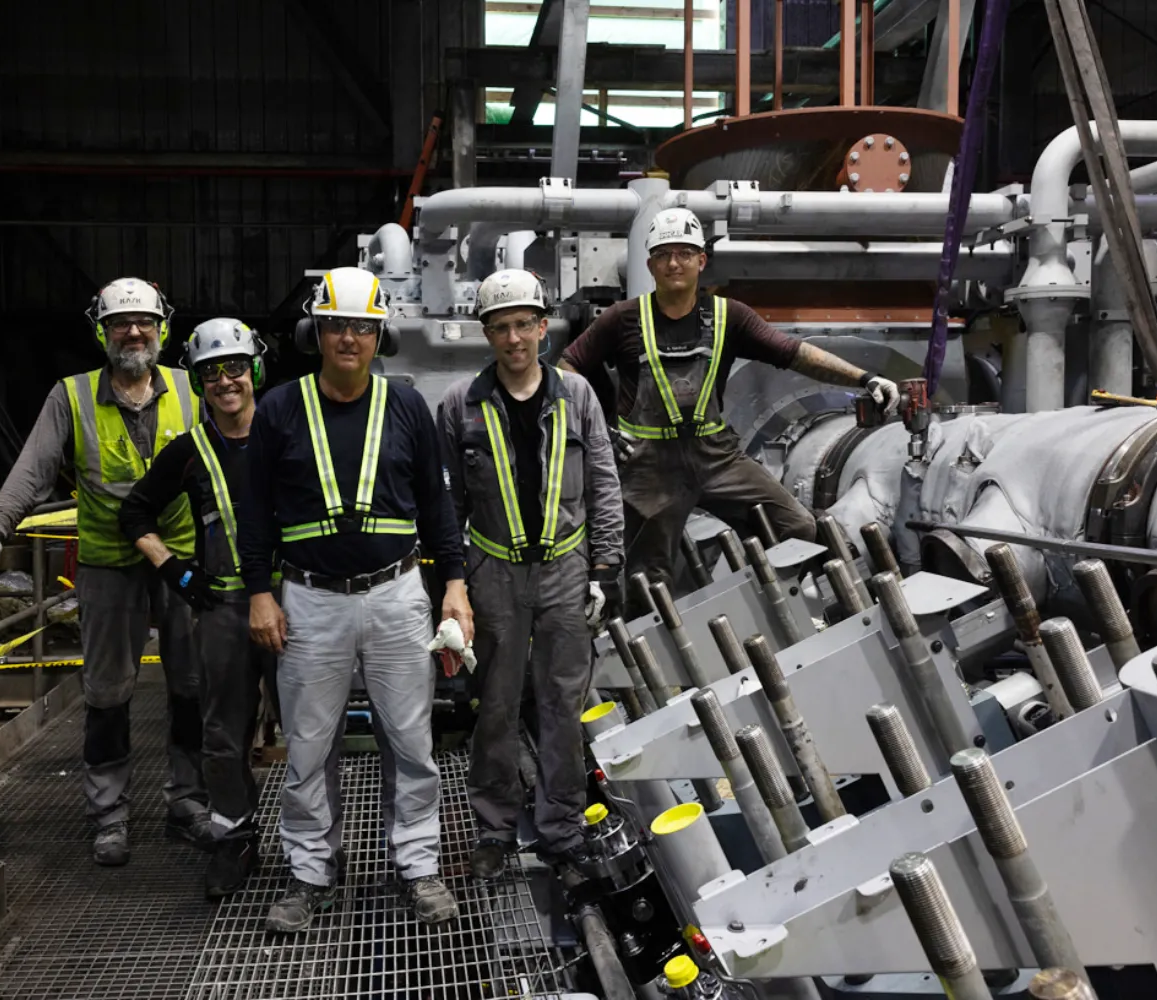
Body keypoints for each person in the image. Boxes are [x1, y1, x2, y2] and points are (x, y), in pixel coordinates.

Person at [240, 266, 472, 932]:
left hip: (397, 595)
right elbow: (253, 515)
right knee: (310, 747)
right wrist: (262, 594)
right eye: (337, 325)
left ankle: (418, 869)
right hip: (310, 602)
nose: (349, 339)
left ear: (379, 335)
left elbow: (437, 503)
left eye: (362, 328)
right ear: (318, 332)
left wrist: (453, 585)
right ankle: (312, 878)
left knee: (412, 743)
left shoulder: (405, 406)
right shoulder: (281, 408)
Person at [0, 277, 212, 866]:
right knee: (107, 694)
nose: (133, 332)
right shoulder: (70, 397)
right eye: (121, 324)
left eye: (144, 322)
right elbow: (34, 469)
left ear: (162, 330)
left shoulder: (189, 386)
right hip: (108, 565)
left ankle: (189, 803)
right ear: (102, 333)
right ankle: (109, 815)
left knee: (193, 686)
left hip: (180, 560)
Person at [560, 208, 900, 610]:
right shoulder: (623, 319)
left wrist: (864, 378)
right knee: (646, 585)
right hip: (648, 467)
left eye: (685, 253)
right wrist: (599, 430)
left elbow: (793, 353)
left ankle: (786, 611)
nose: (674, 263)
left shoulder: (730, 317)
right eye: (664, 254)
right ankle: (654, 665)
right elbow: (567, 367)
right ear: (650, 263)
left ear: (701, 261)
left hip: (716, 457)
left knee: (798, 527)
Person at [118, 318, 342, 900]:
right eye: (211, 372)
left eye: (235, 367)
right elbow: (134, 514)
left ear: (255, 369)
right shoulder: (189, 452)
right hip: (222, 607)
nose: (225, 380)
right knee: (222, 732)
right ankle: (235, 836)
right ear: (197, 382)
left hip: (295, 598)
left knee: (309, 729)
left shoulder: (292, 434)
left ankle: (315, 847)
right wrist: (174, 569)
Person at [435, 269, 624, 880]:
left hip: (567, 568)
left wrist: (605, 565)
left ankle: (561, 830)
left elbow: (602, 483)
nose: (513, 338)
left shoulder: (579, 396)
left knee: (561, 703)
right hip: (493, 570)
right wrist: (452, 585)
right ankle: (493, 831)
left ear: (543, 328)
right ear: (486, 334)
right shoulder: (459, 406)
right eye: (500, 327)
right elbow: (447, 507)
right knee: (493, 705)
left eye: (523, 324)